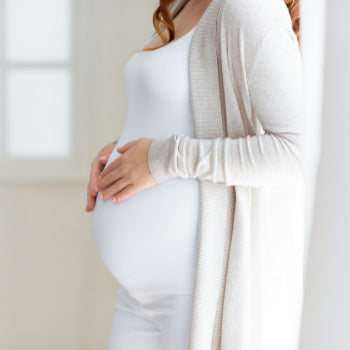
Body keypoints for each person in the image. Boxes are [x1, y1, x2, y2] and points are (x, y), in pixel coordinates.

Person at [86, 0, 304, 349]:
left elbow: (296, 150)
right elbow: (184, 113)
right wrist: (118, 154)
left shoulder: (248, 8)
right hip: (138, 292)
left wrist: (164, 158)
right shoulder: (184, 4)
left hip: (194, 286)